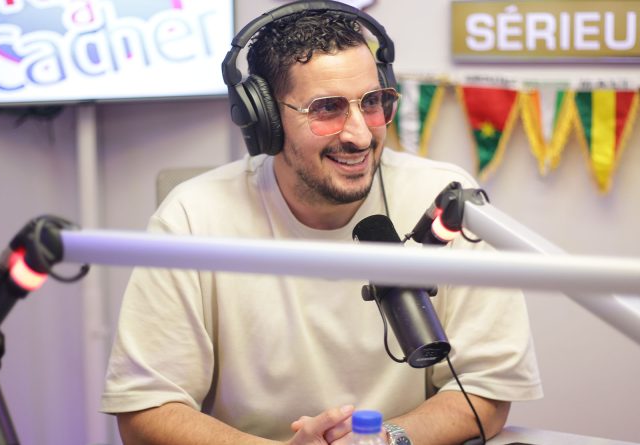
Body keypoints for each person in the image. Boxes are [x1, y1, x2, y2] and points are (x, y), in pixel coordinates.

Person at [101, 2, 542, 444]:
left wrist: (385, 440)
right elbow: (146, 409)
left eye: (373, 102)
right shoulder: (193, 217)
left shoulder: (446, 203)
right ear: (265, 120)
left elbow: (486, 389)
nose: (361, 135)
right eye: (327, 108)